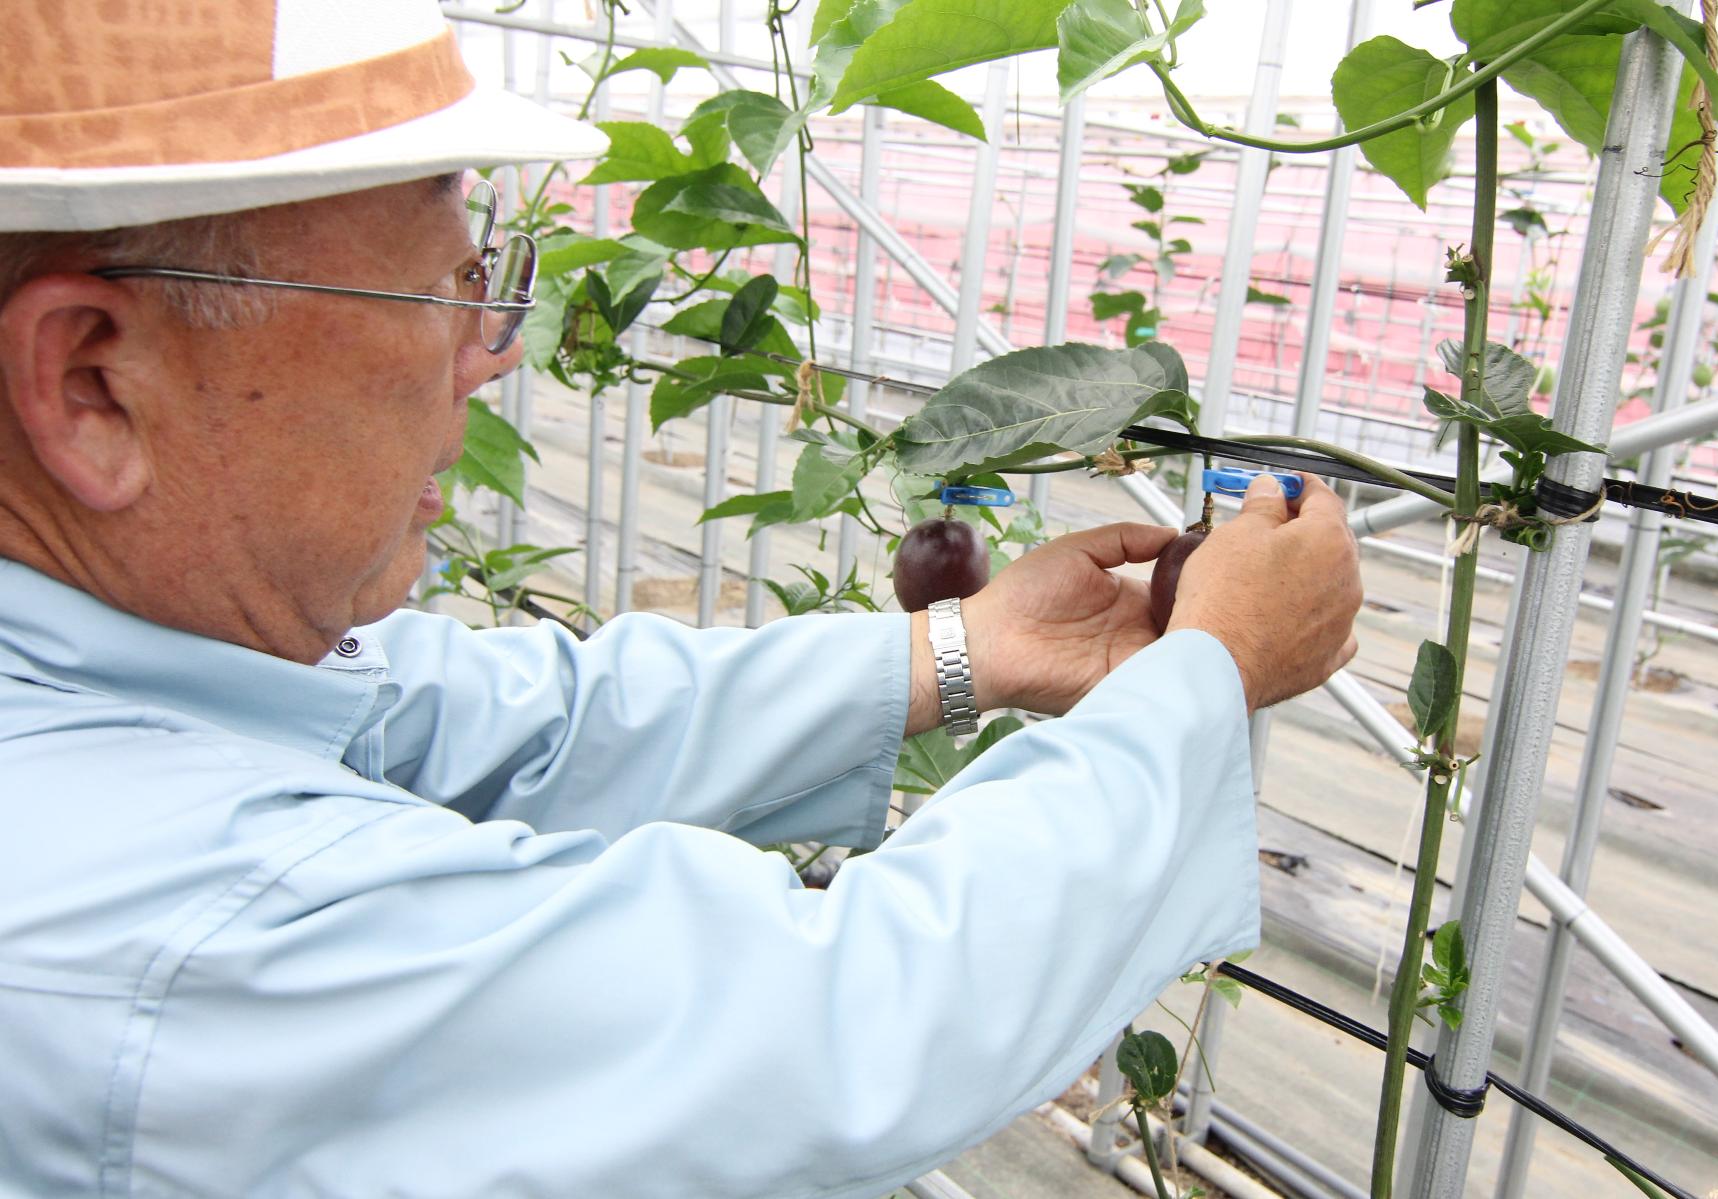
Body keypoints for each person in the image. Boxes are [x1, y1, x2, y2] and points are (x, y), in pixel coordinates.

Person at [0, 3, 1364, 1196]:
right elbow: (838, 1025)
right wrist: (1211, 672)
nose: (488, 358)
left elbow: (501, 720)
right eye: (447, 291)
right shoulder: (158, 934)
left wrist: (967, 650)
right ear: (91, 383)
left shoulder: (107, 671)